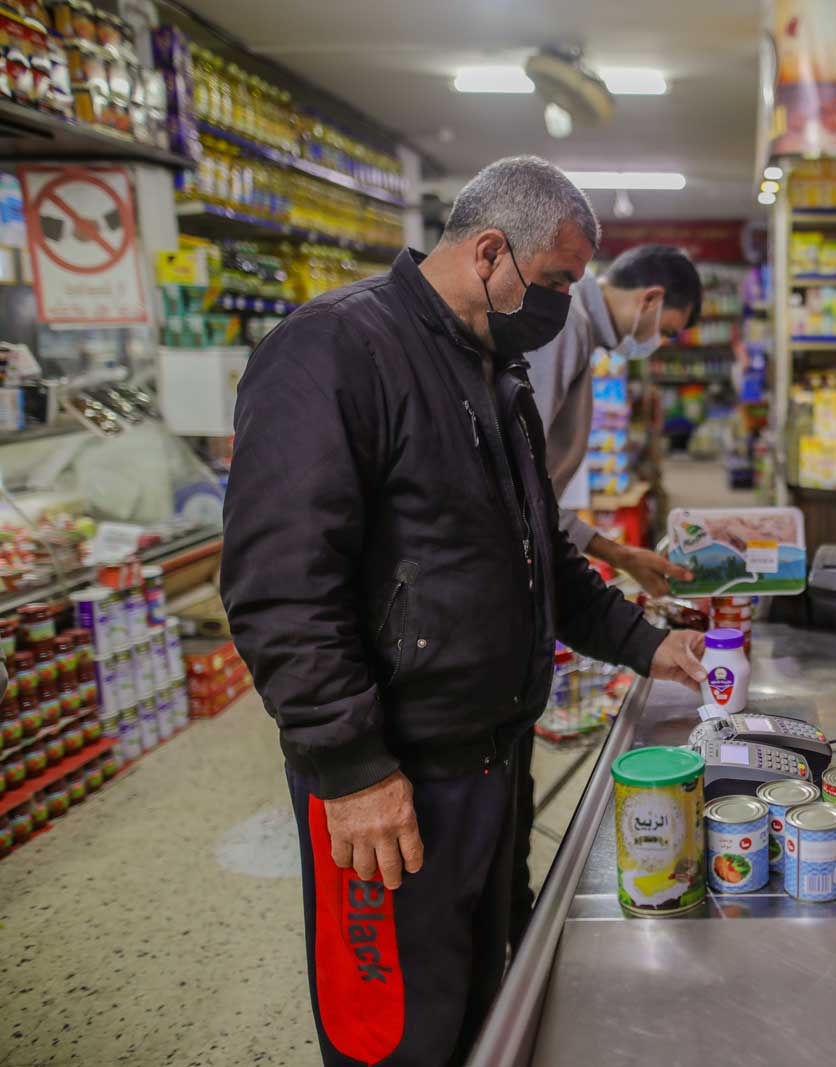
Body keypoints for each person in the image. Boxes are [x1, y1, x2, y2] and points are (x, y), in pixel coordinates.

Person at [221, 155, 708, 1067]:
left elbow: (540, 558)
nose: (565, 304)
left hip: (490, 760)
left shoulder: (499, 370)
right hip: (393, 785)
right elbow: (280, 588)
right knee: (395, 1030)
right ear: (490, 251)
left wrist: (648, 643)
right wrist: (354, 768)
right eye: (558, 280)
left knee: (483, 999)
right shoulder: (333, 351)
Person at [528, 243, 703, 597]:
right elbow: (520, 476)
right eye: (667, 331)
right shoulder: (567, 326)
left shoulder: (578, 327)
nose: (662, 343)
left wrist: (620, 555)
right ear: (650, 300)